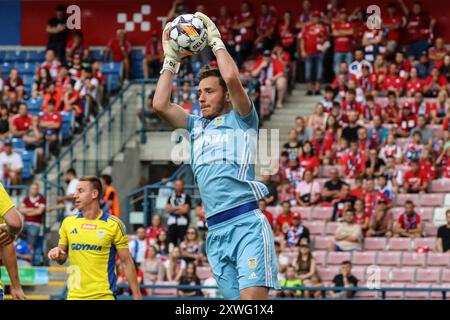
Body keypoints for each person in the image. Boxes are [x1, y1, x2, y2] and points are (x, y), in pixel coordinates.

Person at [153, 11, 279, 299]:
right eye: (199, 92)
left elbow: (232, 76)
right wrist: (170, 60)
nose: (201, 97)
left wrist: (215, 40)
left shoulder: (243, 119)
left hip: (246, 224)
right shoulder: (195, 126)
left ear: (225, 95)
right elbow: (160, 104)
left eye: (209, 91)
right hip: (215, 231)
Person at [48, 176, 141, 300]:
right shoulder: (68, 223)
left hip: (104, 296)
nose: (75, 195)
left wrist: (137, 295)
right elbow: (62, 257)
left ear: (94, 194)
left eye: (80, 191)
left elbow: (126, 262)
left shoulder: (114, 224)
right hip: (74, 296)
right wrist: (57, 254)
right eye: (75, 191)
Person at [300, 10, 329, 95]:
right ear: (312, 18)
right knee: (308, 71)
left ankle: (317, 89)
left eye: (317, 17)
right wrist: (302, 50)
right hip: (308, 52)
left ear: (319, 18)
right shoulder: (307, 27)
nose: (316, 18)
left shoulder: (323, 27)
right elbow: (302, 39)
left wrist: (325, 47)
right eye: (314, 17)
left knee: (319, 71)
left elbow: (327, 40)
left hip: (319, 53)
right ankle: (309, 90)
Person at [19, 182, 46, 266]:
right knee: (14, 232)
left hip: (35, 224)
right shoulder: (26, 199)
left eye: (35, 188)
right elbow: (20, 210)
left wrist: (27, 211)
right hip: (25, 223)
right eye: (32, 188)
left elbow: (39, 211)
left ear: (38, 190)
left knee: (30, 245)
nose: (33, 190)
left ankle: (29, 262)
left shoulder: (42, 199)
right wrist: (34, 210)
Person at [164, 179, 191, 247]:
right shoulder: (171, 197)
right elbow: (166, 209)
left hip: (183, 221)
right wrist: (179, 207)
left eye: (180, 185)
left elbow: (185, 210)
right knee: (171, 241)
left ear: (183, 186)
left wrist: (173, 208)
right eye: (177, 185)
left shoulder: (187, 197)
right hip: (172, 221)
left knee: (182, 241)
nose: (178, 186)